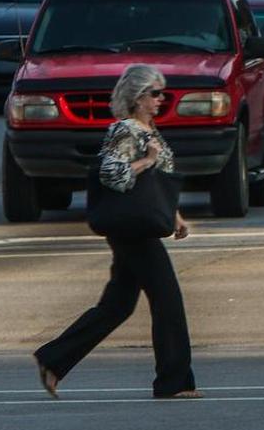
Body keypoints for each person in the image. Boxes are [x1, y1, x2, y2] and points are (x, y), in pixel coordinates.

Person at [34, 64, 201, 400]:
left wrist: (175, 215)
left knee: (117, 305)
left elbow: (156, 185)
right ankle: (174, 382)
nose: (160, 99)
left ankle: (54, 360)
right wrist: (146, 160)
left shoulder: (149, 129)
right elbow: (111, 174)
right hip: (130, 229)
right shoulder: (126, 130)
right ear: (136, 97)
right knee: (168, 300)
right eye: (154, 93)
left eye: (161, 93)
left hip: (142, 225)